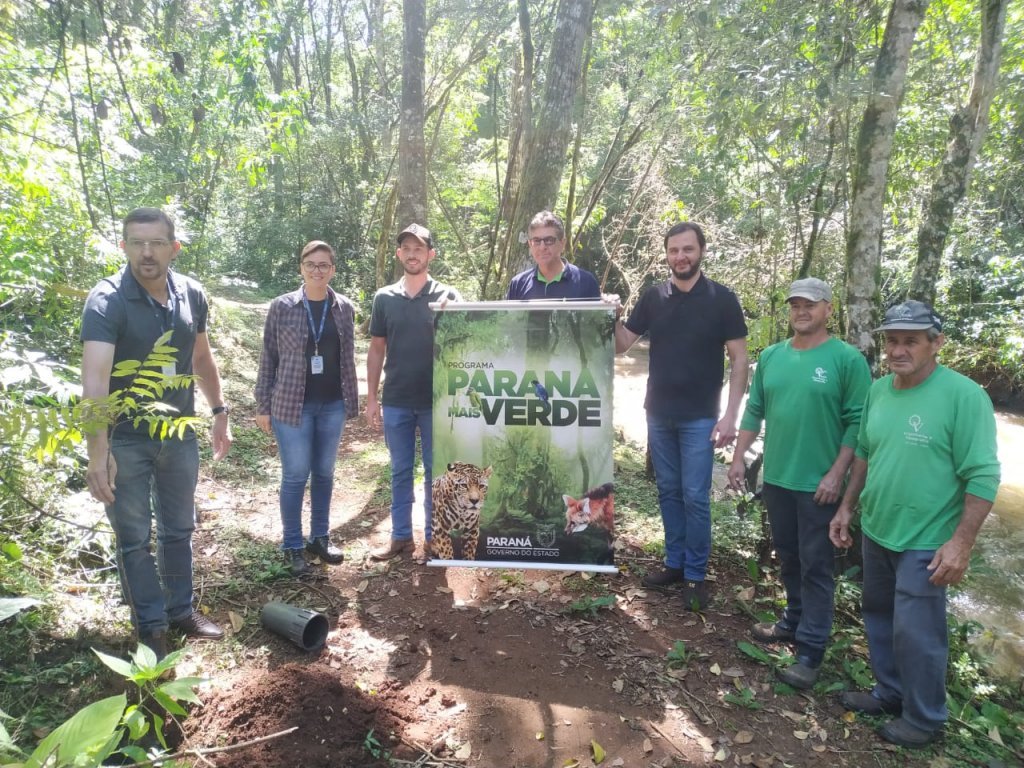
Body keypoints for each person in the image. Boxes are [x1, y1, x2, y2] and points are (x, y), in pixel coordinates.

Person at [829, 300, 1000, 748]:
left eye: (911, 341)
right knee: (879, 616)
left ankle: (924, 719)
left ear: (935, 343)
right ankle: (889, 692)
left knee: (918, 632)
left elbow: (982, 473)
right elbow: (866, 452)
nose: (898, 350)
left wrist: (961, 543)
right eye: (892, 341)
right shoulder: (880, 390)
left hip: (926, 539)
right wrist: (847, 506)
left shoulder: (964, 396)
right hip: (879, 527)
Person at [81, 207, 231, 659]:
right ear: (124, 245)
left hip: (179, 435)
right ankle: (151, 629)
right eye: (136, 242)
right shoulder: (107, 300)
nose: (146, 253)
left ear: (174, 247)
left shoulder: (191, 294)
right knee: (133, 538)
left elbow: (200, 359)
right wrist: (98, 450)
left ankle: (181, 611)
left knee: (178, 529)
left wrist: (219, 410)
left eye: (156, 243)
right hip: (125, 438)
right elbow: (95, 381)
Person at [727, 278, 871, 689]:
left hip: (819, 485)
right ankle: (792, 621)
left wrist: (837, 473)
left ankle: (810, 651)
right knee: (788, 556)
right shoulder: (772, 356)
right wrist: (738, 459)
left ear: (828, 307)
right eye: (794, 305)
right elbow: (755, 411)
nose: (801, 311)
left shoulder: (846, 360)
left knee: (817, 566)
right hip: (778, 478)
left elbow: (857, 421)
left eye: (809, 304)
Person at [615, 222, 748, 610]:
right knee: (669, 491)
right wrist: (613, 316)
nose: (681, 257)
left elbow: (739, 360)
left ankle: (695, 574)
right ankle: (674, 563)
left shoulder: (722, 299)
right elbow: (623, 346)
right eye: (674, 250)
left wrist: (730, 417)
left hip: (701, 418)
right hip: (658, 413)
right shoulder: (655, 296)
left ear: (701, 251)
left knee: (695, 496)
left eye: (688, 249)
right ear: (667, 254)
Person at [255, 241, 359, 577]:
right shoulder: (282, 307)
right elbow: (268, 357)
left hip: (331, 405)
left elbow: (347, 360)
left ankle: (319, 537)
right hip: (291, 405)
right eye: (311, 264)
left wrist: (351, 402)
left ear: (333, 269)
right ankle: (292, 544)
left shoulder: (343, 307)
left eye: (324, 265)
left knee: (325, 474)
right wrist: (262, 405)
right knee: (296, 475)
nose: (317, 270)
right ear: (301, 267)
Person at [366, 223, 462, 561]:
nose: (412, 253)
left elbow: (468, 343)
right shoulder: (384, 298)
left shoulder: (448, 296)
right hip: (396, 400)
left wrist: (458, 315)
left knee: (437, 477)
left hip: (438, 402)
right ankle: (401, 537)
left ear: (430, 255)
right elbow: (377, 348)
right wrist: (372, 399)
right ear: (398, 254)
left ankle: (435, 541)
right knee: (400, 470)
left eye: (419, 248)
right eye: (406, 248)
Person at [506, 211, 600, 300]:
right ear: (530, 244)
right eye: (537, 241)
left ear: (562, 243)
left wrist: (612, 306)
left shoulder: (585, 282)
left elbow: (599, 316)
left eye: (549, 240)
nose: (542, 247)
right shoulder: (518, 284)